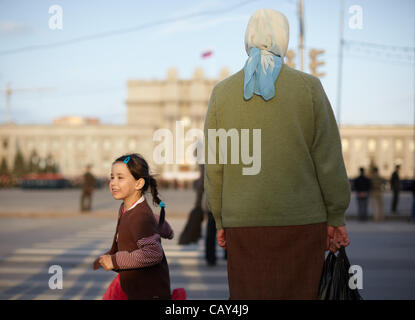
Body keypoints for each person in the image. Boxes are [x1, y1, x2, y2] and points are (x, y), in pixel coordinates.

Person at [204, 9, 351, 300]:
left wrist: (220, 220)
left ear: (247, 38)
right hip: (303, 223)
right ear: (283, 38)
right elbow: (329, 159)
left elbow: (215, 166)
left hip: (244, 225)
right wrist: (335, 215)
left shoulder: (222, 93)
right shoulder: (309, 88)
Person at [92, 153, 173, 300]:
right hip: (135, 286)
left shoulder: (140, 216)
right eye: (112, 177)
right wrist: (162, 226)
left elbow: (152, 253)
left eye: (120, 177)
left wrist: (115, 260)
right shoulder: (127, 208)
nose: (113, 183)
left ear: (138, 184)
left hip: (149, 292)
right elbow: (148, 220)